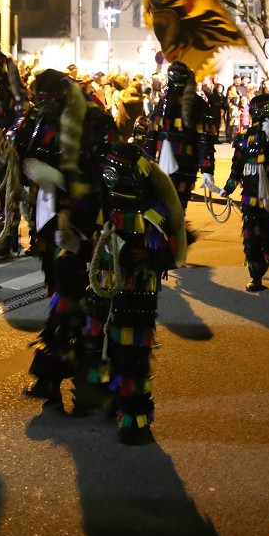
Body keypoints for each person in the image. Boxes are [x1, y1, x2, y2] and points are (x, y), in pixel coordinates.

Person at [12, 69, 118, 402]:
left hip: (84, 219)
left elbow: (108, 172)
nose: (39, 110)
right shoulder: (38, 117)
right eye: (36, 104)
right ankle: (75, 369)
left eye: (45, 105)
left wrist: (63, 181)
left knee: (76, 295)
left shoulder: (94, 118)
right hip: (46, 217)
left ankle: (65, 372)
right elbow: (21, 149)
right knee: (60, 290)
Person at [78, 141, 186, 444]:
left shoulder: (154, 213)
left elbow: (172, 245)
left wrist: (150, 256)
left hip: (137, 291)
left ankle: (134, 421)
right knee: (95, 340)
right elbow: (84, 232)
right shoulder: (101, 206)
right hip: (103, 282)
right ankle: (107, 396)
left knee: (132, 353)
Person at [220, 94, 269, 292]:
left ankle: (265, 260)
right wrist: (229, 187)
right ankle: (256, 276)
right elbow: (237, 166)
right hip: (250, 198)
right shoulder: (243, 137)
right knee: (250, 239)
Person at [146, 61, 218, 214]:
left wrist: (207, 169)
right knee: (157, 207)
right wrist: (146, 160)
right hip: (159, 165)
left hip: (184, 166)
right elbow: (152, 135)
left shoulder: (198, 105)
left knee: (177, 207)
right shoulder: (163, 103)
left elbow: (204, 139)